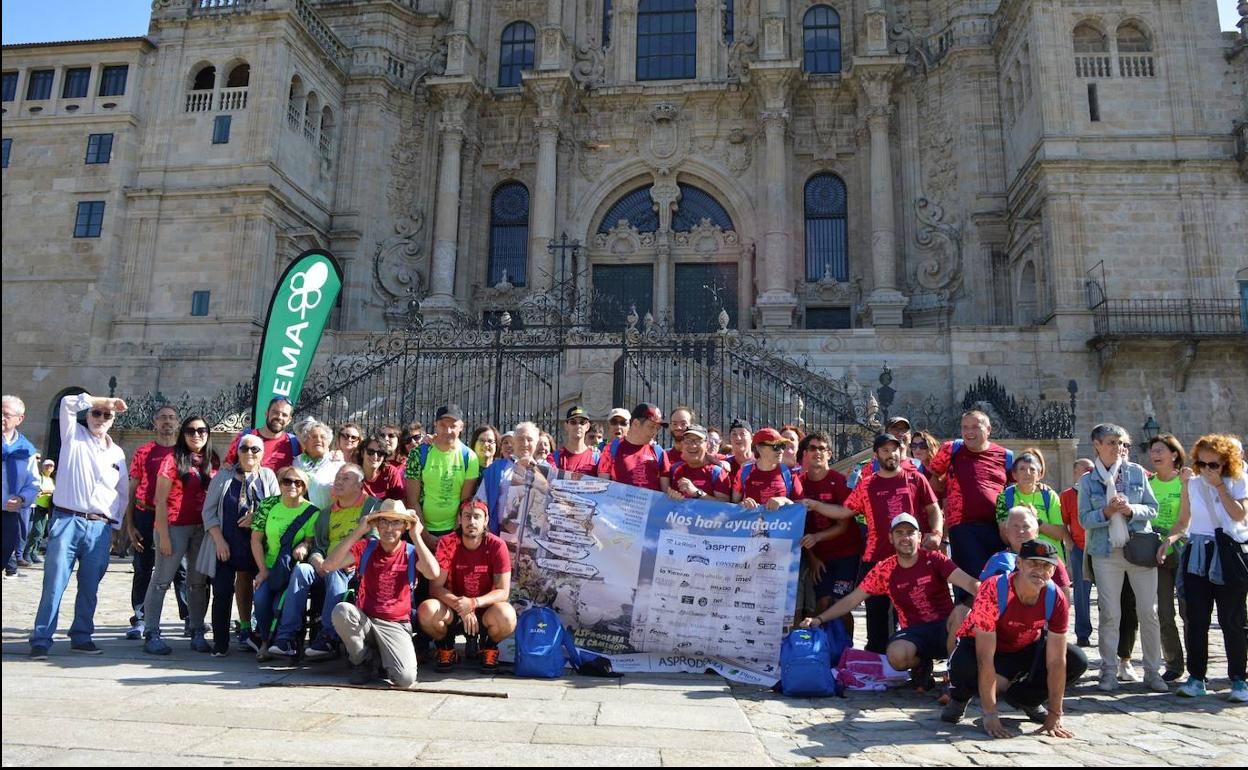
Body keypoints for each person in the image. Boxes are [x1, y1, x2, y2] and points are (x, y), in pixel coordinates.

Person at [803, 514, 979, 690]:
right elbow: (852, 600)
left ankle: (954, 677)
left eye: (910, 532)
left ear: (919, 536)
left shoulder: (934, 559)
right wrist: (819, 619)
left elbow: (970, 583)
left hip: (945, 628)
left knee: (962, 611)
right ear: (891, 538)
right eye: (899, 533)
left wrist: (1000, 596)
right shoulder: (884, 569)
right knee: (895, 655)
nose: (905, 538)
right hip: (915, 633)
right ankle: (921, 664)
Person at [942, 540, 1087, 739]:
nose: (1040, 570)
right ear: (1019, 563)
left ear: (1054, 570)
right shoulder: (993, 590)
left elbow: (1056, 661)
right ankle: (959, 697)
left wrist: (1055, 714)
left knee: (1077, 660)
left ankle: (1026, 699)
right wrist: (990, 714)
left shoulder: (1056, 597)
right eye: (1033, 563)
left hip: (1021, 648)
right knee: (964, 665)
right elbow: (985, 659)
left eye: (1046, 566)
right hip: (981, 647)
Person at [29, 392, 129, 659]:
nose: (101, 418)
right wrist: (103, 400)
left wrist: (116, 527)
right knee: (54, 583)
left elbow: (122, 491)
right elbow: (66, 403)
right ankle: (41, 638)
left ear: (112, 422)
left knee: (90, 586)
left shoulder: (117, 453)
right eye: (96, 413)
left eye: (107, 415)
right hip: (67, 520)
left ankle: (82, 635)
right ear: (88, 415)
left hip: (99, 526)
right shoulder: (73, 436)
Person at [1077, 423, 1167, 693]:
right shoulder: (1087, 481)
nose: (1119, 448)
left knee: (1148, 612)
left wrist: (1131, 510)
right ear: (1097, 445)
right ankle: (1108, 671)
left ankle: (1152, 671)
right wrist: (1105, 512)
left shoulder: (1137, 473)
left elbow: (1152, 509)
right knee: (1110, 614)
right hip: (1106, 553)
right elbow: (1084, 520)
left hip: (1139, 549)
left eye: (1122, 443)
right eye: (1113, 442)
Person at [1164, 434, 1247, 702]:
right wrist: (1169, 540)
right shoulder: (1192, 485)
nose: (1208, 469)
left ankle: (1238, 680)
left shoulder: (1238, 481)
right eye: (1203, 464)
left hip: (1227, 553)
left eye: (1214, 464)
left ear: (1227, 463)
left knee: (1232, 620)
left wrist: (1220, 487)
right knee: (1196, 619)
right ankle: (1196, 677)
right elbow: (1184, 520)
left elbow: (1239, 515)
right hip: (1197, 552)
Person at [841, 433, 943, 653]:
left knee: (913, 611)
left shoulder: (916, 478)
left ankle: (916, 661)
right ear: (876, 454)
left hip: (910, 557)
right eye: (885, 450)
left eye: (894, 449)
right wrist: (812, 505)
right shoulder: (867, 484)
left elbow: (934, 509)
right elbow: (844, 511)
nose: (891, 454)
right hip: (876, 558)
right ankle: (879, 661)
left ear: (900, 451)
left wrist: (936, 533)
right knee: (876, 614)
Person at [322, 500, 440, 687]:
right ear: (376, 524)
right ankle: (363, 661)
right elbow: (329, 565)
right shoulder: (366, 547)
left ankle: (379, 657)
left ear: (404, 526)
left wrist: (417, 536)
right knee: (342, 610)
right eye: (384, 521)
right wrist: (358, 532)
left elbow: (434, 573)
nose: (389, 528)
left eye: (396, 523)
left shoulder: (410, 552)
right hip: (366, 619)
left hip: (396, 624)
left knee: (405, 679)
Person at [271, 464, 383, 659]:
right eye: (337, 477)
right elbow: (318, 548)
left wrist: (343, 562)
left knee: (336, 571)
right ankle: (287, 637)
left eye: (346, 478)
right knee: (302, 570)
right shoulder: (325, 513)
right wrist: (317, 562)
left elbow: (373, 543)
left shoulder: (372, 507)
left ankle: (328, 637)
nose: (338, 481)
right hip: (326, 565)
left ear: (359, 485)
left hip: (353, 568)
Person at [142, 415, 219, 655]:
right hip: (174, 527)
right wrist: (163, 535)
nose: (196, 435)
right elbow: (161, 500)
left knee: (198, 583)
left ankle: (197, 630)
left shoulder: (211, 459)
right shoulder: (172, 459)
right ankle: (151, 632)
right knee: (161, 580)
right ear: (182, 433)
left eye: (201, 430)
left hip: (201, 529)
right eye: (190, 430)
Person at [418, 499, 517, 672]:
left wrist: (473, 603)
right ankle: (446, 647)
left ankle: (489, 647)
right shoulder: (447, 543)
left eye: (477, 517)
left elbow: (503, 591)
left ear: (485, 520)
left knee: (507, 616)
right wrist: (462, 606)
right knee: (426, 610)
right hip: (452, 606)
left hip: (485, 607)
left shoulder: (496, 545)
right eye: (467, 516)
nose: (472, 522)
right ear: (459, 520)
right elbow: (436, 588)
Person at [202, 431, 278, 656]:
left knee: (263, 594)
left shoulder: (268, 476)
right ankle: (220, 643)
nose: (249, 453)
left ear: (262, 454)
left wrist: (257, 518)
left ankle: (261, 637)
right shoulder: (223, 477)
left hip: (257, 548)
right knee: (222, 592)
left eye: (255, 449)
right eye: (244, 448)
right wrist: (219, 541)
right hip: (226, 544)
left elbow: (275, 508)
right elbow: (208, 512)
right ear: (237, 452)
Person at [122, 403, 190, 639]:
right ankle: (140, 617)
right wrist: (130, 525)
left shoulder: (184, 453)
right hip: (145, 513)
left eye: (172, 417)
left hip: (173, 517)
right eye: (162, 417)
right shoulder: (143, 452)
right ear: (155, 422)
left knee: (181, 568)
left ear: (177, 422)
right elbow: (131, 489)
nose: (167, 422)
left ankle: (188, 616)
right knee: (142, 566)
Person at [927, 411, 1012, 591]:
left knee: (997, 579)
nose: (969, 432)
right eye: (965, 427)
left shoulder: (1005, 456)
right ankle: (967, 616)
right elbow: (932, 478)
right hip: (962, 526)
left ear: (988, 429)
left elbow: (1015, 489)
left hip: (996, 528)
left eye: (975, 427)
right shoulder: (951, 449)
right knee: (969, 583)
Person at [250, 466, 319, 655]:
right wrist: (262, 569)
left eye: (298, 483)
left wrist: (304, 546)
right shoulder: (268, 505)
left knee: (277, 606)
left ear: (305, 488)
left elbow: (310, 541)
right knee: (260, 600)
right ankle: (265, 640)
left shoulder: (312, 512)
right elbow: (255, 539)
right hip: (269, 566)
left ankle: (283, 642)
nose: (292, 486)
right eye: (287, 481)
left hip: (290, 570)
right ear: (280, 483)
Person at [795, 432, 858, 632]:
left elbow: (843, 524)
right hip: (819, 557)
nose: (817, 452)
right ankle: (820, 650)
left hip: (847, 553)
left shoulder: (839, 481)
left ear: (829, 454)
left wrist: (817, 537)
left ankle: (846, 649)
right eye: (812, 448)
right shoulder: (799, 483)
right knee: (821, 605)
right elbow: (799, 527)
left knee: (841, 605)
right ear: (805, 454)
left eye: (822, 448)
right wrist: (812, 557)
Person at [404, 404, 481, 549]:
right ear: (435, 425)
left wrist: (453, 535)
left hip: (454, 532)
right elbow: (412, 501)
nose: (447, 430)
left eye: (453, 426)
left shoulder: (469, 457)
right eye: (442, 425)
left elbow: (464, 502)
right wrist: (425, 536)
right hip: (421, 530)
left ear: (461, 427)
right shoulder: (418, 454)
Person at [1147, 433, 1188, 682]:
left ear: (1174, 454)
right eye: (1153, 451)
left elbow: (1186, 520)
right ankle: (1174, 663)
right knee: (1163, 611)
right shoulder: (1148, 483)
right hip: (1156, 553)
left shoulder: (1185, 482)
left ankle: (1196, 662)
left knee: (1189, 611)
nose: (1155, 455)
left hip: (1182, 551)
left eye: (1160, 450)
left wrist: (1170, 539)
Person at [984, 506, 1074, 604]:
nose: (1021, 531)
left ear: (1036, 532)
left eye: (1026, 526)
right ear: (1006, 532)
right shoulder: (997, 561)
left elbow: (1064, 599)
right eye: (1015, 526)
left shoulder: (1049, 559)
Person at [994, 449, 1069, 560]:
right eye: (1022, 469)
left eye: (1032, 469)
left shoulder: (1049, 496)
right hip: (1020, 560)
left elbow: (1059, 534)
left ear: (1039, 475)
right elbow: (1005, 536)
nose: (1027, 473)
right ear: (1014, 475)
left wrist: (1036, 520)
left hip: (1050, 560)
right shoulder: (1004, 497)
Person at [477, 422, 543, 534]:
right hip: (497, 535)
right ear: (515, 442)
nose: (525, 443)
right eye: (520, 439)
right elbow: (481, 501)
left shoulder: (545, 471)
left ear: (536, 443)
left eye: (530, 439)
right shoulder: (496, 468)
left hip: (532, 538)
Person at [2, 395, 41, 578]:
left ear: (20, 419)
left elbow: (33, 483)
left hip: (9, 516)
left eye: (6, 414)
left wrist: (21, 498)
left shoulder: (27, 450)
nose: (1, 418)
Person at [1059, 458, 1095, 646]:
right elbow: (1063, 521)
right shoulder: (1067, 496)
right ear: (1075, 472)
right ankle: (1083, 632)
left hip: (1100, 547)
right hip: (1080, 548)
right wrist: (1069, 542)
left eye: (1092, 469)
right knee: (1081, 592)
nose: (1090, 472)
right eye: (1086, 469)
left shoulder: (1100, 490)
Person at [596, 403, 671, 493]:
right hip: (618, 505)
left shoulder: (659, 452)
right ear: (636, 423)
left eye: (657, 428)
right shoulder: (611, 449)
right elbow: (603, 489)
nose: (655, 432)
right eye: (651, 427)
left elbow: (665, 495)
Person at [733, 427, 803, 509]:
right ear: (759, 448)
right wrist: (742, 504)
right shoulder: (743, 473)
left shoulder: (788, 474)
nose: (781, 451)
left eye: (782, 445)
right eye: (776, 446)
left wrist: (784, 501)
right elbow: (733, 505)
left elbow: (801, 507)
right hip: (753, 521)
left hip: (779, 521)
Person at [223, 396, 300, 471]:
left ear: (289, 420)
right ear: (267, 413)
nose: (279, 417)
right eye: (275, 412)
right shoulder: (243, 438)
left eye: (284, 415)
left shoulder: (294, 443)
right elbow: (226, 467)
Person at [667, 425, 731, 501]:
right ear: (682, 445)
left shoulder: (716, 473)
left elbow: (725, 506)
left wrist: (697, 493)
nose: (693, 445)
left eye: (698, 441)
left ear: (707, 446)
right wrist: (673, 497)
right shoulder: (676, 471)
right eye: (688, 440)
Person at [294, 421, 343, 513]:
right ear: (305, 442)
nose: (318, 440)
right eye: (313, 436)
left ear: (328, 442)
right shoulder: (297, 462)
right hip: (302, 516)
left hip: (330, 515)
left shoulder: (337, 463)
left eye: (323, 437)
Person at [550, 407, 599, 475]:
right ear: (566, 426)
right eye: (573, 422)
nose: (578, 426)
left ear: (587, 426)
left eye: (582, 422)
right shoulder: (555, 457)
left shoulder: (596, 457)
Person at [25, 458, 56, 564]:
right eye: (47, 465)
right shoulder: (39, 478)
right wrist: (50, 491)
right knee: (36, 531)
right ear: (43, 467)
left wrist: (48, 492)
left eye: (51, 466)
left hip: (46, 509)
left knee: (41, 532)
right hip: (37, 506)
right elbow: (38, 490)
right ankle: (27, 552)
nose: (49, 468)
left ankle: (34, 552)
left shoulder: (51, 480)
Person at [360, 434, 406, 501]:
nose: (375, 457)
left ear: (384, 456)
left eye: (380, 453)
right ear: (362, 453)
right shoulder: (354, 474)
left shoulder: (390, 472)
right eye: (370, 452)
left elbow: (398, 504)